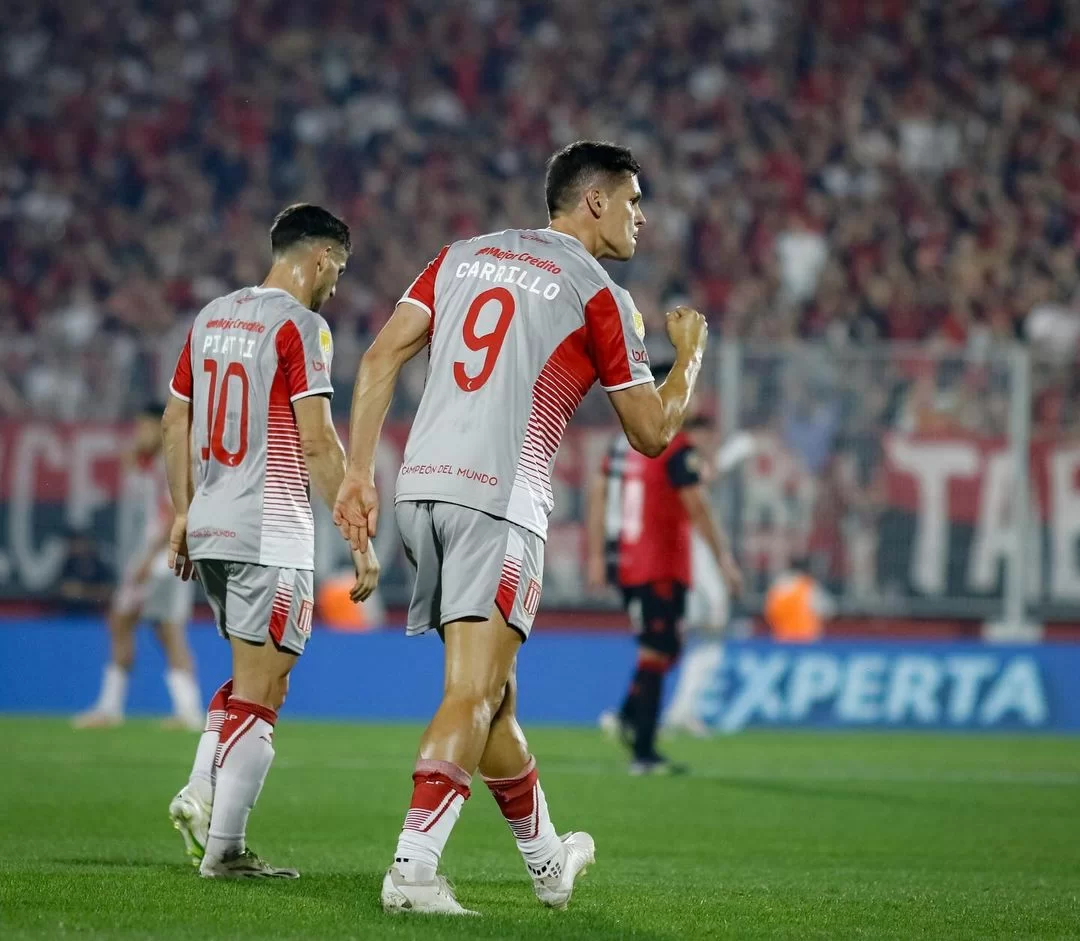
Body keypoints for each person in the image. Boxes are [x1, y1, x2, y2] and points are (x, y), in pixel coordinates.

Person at [334, 140, 710, 916]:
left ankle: (548, 862)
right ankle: (412, 869)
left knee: (494, 698)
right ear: (593, 201)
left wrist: (358, 472)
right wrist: (690, 361)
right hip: (502, 499)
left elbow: (377, 359)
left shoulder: (460, 256)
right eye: (633, 199)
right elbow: (649, 431)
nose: (642, 216)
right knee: (472, 691)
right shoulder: (598, 291)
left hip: (423, 492)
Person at [161, 204, 380, 879]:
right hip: (270, 531)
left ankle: (200, 791)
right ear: (318, 258)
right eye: (338, 270)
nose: (336, 285)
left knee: (250, 677)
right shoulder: (301, 327)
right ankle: (224, 848)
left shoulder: (211, 318)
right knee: (266, 691)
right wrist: (360, 537)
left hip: (214, 527)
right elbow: (316, 439)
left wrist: (181, 512)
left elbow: (176, 421)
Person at [588, 403, 743, 772]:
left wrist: (597, 555)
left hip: (628, 560)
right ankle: (644, 751)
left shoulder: (624, 444)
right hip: (658, 565)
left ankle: (628, 715)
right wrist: (724, 560)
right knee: (657, 651)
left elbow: (598, 495)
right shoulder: (675, 448)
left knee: (666, 646)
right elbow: (698, 506)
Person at [74, 403, 201, 731]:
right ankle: (115, 706)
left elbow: (174, 513)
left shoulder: (171, 462)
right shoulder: (147, 464)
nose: (138, 434)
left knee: (165, 629)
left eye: (144, 427)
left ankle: (184, 711)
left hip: (160, 560)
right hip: (146, 559)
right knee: (125, 621)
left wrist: (148, 557)